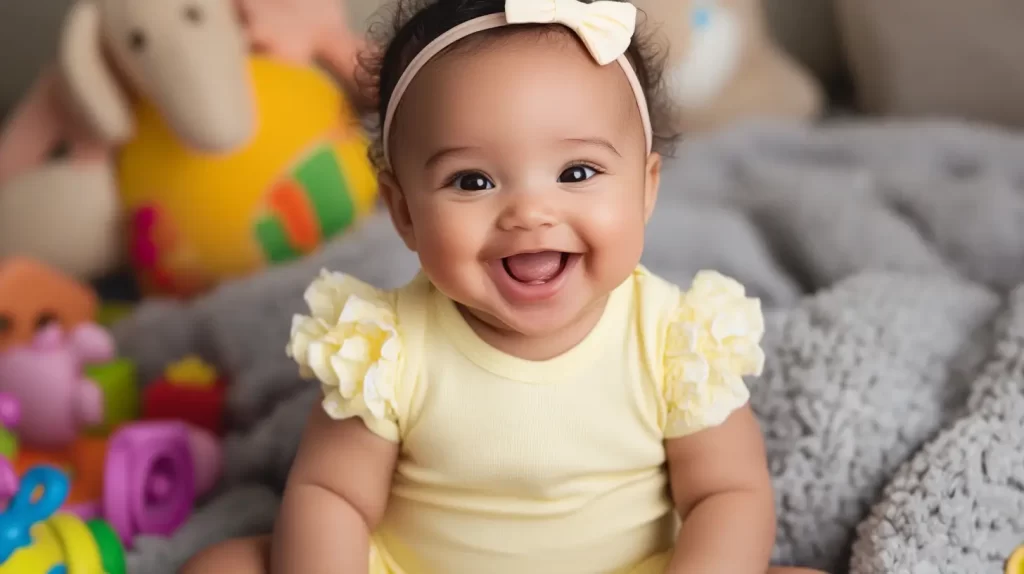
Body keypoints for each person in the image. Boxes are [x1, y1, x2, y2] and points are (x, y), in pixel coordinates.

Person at [182, 0, 826, 572]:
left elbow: (728, 494)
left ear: (647, 186)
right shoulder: (386, 349)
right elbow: (333, 496)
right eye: (473, 181)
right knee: (223, 565)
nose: (529, 212)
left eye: (576, 171)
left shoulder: (675, 340)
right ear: (403, 211)